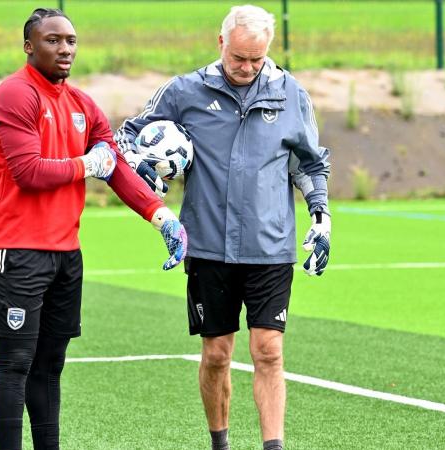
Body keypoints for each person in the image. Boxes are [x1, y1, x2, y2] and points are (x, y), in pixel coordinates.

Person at [115, 5, 331, 450]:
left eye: (257, 59)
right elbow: (126, 138)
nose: (248, 68)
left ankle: (274, 446)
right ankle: (220, 444)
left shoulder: (292, 94)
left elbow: (309, 163)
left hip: (270, 248)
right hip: (209, 246)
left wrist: (321, 217)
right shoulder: (182, 91)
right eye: (239, 59)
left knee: (269, 350)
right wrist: (144, 168)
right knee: (217, 355)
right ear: (221, 44)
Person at [0, 8, 188, 450]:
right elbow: (28, 172)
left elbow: (115, 169)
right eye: (53, 40)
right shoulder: (15, 95)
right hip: (15, 250)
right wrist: (84, 165)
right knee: (16, 361)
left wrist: (160, 215)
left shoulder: (83, 105)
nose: (65, 49)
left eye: (71, 40)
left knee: (51, 364)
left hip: (65, 253)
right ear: (29, 46)